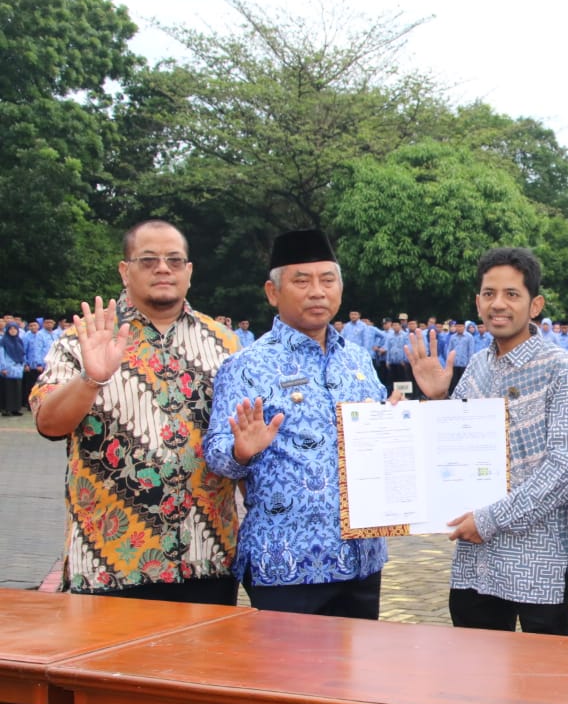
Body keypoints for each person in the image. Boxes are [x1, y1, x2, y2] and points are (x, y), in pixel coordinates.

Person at [30, 220, 241, 602]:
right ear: (125, 271)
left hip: (207, 559)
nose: (163, 269)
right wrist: (90, 379)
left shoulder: (224, 343)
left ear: (189, 272)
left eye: (174, 261)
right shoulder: (85, 339)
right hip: (110, 565)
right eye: (148, 260)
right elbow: (48, 423)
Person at [205, 229, 389, 619]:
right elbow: (216, 453)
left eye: (327, 279)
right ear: (273, 292)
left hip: (362, 559)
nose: (317, 291)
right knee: (288, 680)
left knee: (358, 678)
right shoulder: (247, 365)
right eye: (301, 281)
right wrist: (241, 450)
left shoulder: (357, 360)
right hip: (286, 564)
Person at [407, 247, 568, 635]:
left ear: (534, 304)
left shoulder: (561, 367)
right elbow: (448, 450)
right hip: (477, 565)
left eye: (512, 294)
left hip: (537, 567)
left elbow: (566, 466)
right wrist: (438, 400)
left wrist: (489, 520)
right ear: (477, 302)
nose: (498, 304)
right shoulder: (477, 366)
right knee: (475, 683)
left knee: (543, 684)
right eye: (489, 294)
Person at [0, 322, 24, 416]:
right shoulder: (3, 341)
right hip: (8, 368)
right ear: (7, 330)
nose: (13, 331)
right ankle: (7, 409)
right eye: (11, 329)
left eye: (15, 329)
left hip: (18, 369)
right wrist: (3, 367)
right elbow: (1, 355)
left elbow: (22, 353)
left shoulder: (19, 340)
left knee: (17, 389)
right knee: (8, 389)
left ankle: (15, 409)